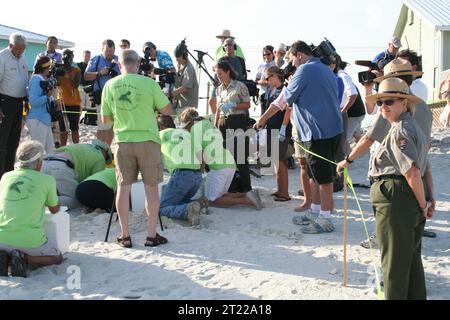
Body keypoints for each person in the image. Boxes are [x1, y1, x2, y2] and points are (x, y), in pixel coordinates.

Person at [347, 78, 432, 300]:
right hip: (407, 196)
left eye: (389, 101)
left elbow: (413, 171)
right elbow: (425, 169)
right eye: (381, 102)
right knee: (410, 260)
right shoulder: (412, 127)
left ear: (404, 103)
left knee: (393, 264)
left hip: (396, 195)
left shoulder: (400, 131)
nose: (383, 106)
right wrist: (427, 201)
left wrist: (424, 204)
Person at [337, 58, 435, 246]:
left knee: (392, 245)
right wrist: (429, 195)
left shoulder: (393, 106)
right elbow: (425, 149)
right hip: (420, 176)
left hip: (397, 182)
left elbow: (368, 138)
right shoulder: (423, 106)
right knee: (411, 248)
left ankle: (381, 238)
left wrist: (348, 160)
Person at [101, 49, 173, 248]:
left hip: (123, 140)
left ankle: (125, 235)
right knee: (151, 189)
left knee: (123, 189)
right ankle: (151, 235)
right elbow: (167, 110)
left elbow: (105, 119)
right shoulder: (148, 83)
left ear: (119, 64)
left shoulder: (109, 85)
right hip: (148, 140)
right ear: (138, 63)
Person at [284, 41, 343, 234]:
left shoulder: (304, 71)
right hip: (327, 130)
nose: (291, 63)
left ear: (299, 55)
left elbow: (287, 98)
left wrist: (288, 81)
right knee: (313, 175)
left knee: (324, 179)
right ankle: (315, 212)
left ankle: (325, 219)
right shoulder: (325, 68)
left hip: (318, 133)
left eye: (291, 58)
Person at [0, 141, 63, 278]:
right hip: (30, 240)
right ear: (39, 163)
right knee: (57, 257)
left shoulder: (6, 177)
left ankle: (6, 258)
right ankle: (23, 259)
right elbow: (55, 210)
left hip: (1, 236)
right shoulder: (47, 180)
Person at [179, 108, 262, 210]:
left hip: (219, 167)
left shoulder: (194, 131)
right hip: (230, 165)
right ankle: (247, 194)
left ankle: (247, 201)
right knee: (221, 195)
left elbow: (201, 156)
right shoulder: (208, 124)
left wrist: (199, 174)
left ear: (188, 123)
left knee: (212, 200)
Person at [254, 66, 293, 202]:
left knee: (281, 161)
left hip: (281, 129)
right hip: (271, 128)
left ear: (276, 76)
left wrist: (283, 127)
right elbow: (268, 110)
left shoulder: (285, 89)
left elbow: (288, 110)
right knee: (276, 161)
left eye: (268, 77)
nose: (266, 80)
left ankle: (285, 193)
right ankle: (280, 190)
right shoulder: (271, 91)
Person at [157, 115, 203, 226]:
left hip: (181, 175)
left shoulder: (159, 135)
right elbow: (200, 154)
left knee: (162, 208)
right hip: (197, 177)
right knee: (178, 200)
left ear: (160, 126)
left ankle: (187, 210)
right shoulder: (186, 133)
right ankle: (198, 204)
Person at [214, 61, 252, 194]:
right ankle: (232, 187)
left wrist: (233, 105)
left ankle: (246, 188)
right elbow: (218, 110)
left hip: (237, 120)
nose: (218, 76)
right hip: (223, 122)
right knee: (227, 156)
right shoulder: (218, 89)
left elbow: (247, 104)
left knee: (241, 155)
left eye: (220, 73)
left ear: (228, 72)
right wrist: (215, 126)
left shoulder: (239, 86)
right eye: (217, 74)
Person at [41, 140, 112, 209]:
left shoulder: (84, 146)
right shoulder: (100, 159)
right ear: (106, 154)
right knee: (76, 200)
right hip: (61, 167)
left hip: (45, 162)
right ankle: (43, 202)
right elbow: (96, 182)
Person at [0, 33, 28, 179]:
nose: (21, 52)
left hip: (19, 103)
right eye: (18, 49)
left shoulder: (22, 57)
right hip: (5, 102)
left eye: (23, 49)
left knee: (14, 139)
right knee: (2, 141)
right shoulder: (2, 57)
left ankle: (9, 170)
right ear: (11, 46)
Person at [84, 39, 121, 146]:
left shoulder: (118, 61)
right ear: (102, 49)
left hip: (116, 97)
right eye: (107, 51)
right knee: (103, 125)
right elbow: (86, 76)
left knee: (112, 126)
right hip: (101, 97)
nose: (109, 53)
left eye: (111, 51)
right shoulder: (96, 59)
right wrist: (100, 73)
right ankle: (100, 150)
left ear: (114, 50)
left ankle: (107, 149)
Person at [26, 56, 58, 153]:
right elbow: (34, 101)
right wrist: (47, 96)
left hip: (44, 120)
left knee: (50, 151)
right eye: (49, 68)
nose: (50, 70)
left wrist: (53, 101)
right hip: (37, 120)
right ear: (45, 68)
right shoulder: (36, 80)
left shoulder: (42, 79)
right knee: (37, 152)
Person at [58, 49, 81, 146]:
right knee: (63, 129)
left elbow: (75, 85)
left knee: (74, 128)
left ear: (72, 58)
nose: (66, 58)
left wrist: (67, 74)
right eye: (64, 55)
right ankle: (63, 148)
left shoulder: (76, 70)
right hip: (62, 102)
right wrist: (59, 71)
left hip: (74, 103)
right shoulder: (58, 69)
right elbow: (57, 83)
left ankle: (76, 148)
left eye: (68, 56)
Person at [171, 43, 199, 114]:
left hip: (188, 107)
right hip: (179, 105)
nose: (176, 60)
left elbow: (185, 88)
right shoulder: (179, 66)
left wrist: (170, 94)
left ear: (184, 56)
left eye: (178, 57)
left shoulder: (189, 68)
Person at [255, 45, 276, 115]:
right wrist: (264, 82)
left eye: (268, 54)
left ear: (273, 54)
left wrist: (268, 82)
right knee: (263, 114)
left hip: (274, 94)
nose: (266, 56)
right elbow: (256, 80)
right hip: (263, 94)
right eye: (264, 54)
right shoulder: (261, 66)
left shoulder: (276, 65)